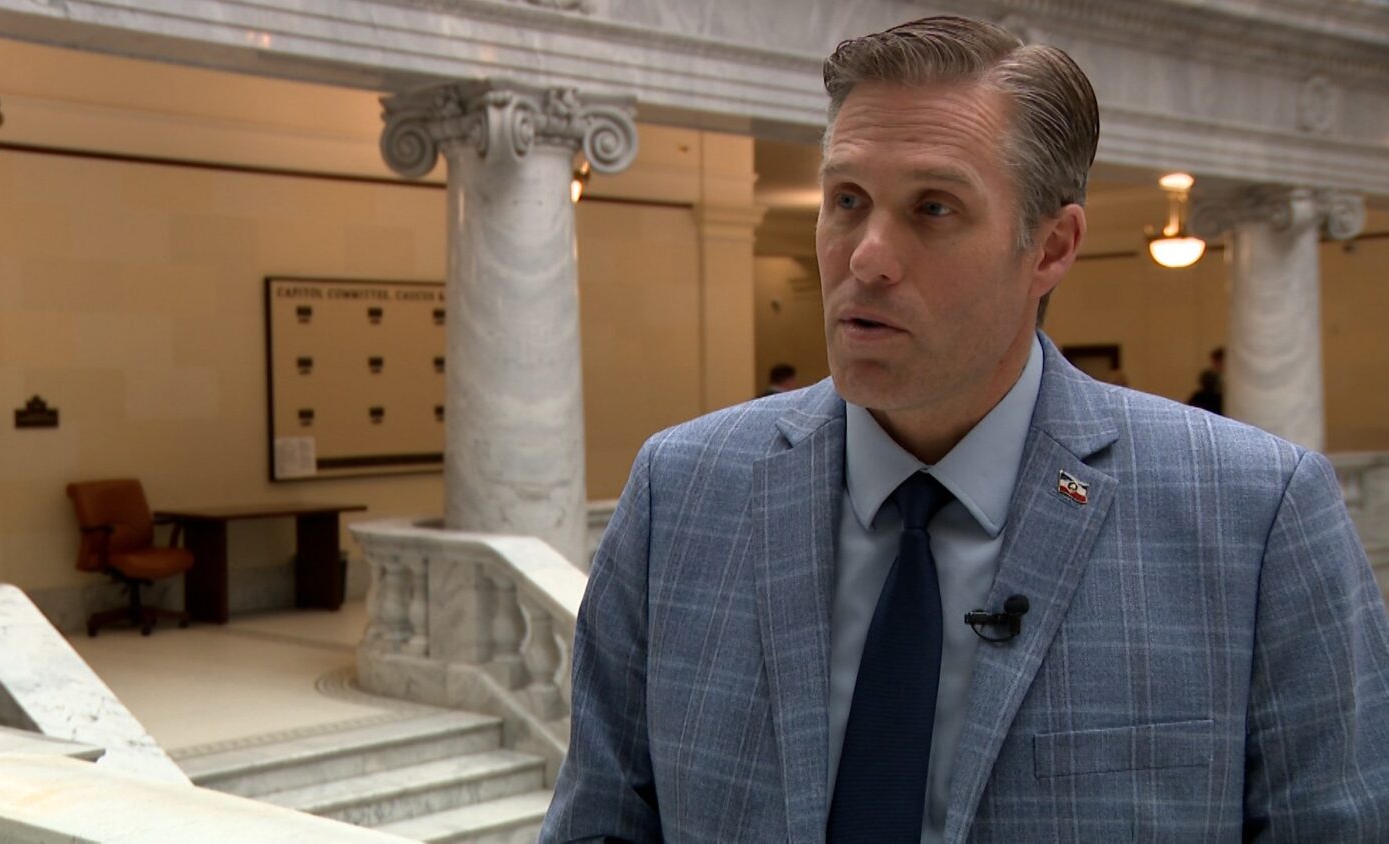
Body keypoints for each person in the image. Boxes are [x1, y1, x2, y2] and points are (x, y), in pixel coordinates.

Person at [544, 15, 1389, 843]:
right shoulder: (682, 493)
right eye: (846, 200)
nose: (864, 257)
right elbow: (600, 821)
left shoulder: (1258, 516)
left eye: (933, 209)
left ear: (1052, 247)